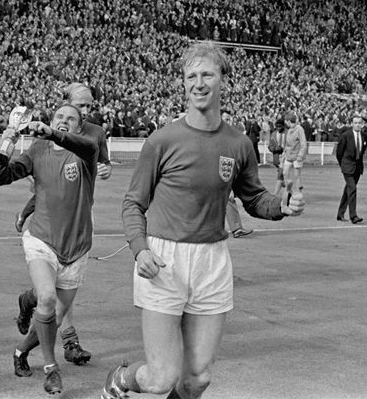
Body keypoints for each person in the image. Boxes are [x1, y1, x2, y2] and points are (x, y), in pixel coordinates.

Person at [101, 42, 304, 399]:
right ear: (183, 84)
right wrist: (139, 249)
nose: (199, 82)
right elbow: (133, 202)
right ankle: (120, 380)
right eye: (191, 75)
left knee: (197, 379)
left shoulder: (239, 143)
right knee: (161, 378)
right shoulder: (162, 140)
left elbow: (253, 197)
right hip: (164, 260)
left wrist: (281, 206)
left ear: (223, 79)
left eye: (207, 74)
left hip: (211, 260)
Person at [0, 104, 99, 395]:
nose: (64, 122)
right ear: (51, 120)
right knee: (49, 299)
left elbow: (86, 145)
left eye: (71, 119)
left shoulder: (85, 152)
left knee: (54, 315)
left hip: (76, 246)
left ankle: (20, 347)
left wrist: (52, 132)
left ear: (79, 127)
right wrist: (8, 142)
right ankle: (51, 369)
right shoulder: (38, 150)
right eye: (59, 118)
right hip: (41, 238)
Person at [13, 83, 111, 368]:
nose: (85, 111)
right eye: (80, 105)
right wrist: (25, 211)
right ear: (64, 105)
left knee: (59, 293)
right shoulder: (45, 140)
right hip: (52, 218)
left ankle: (29, 302)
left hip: (81, 215)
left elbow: (102, 163)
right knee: (53, 296)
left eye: (89, 106)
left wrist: (105, 168)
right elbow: (46, 187)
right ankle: (69, 341)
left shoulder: (95, 132)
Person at [221, 110, 252, 238]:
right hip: (215, 171)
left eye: (230, 119)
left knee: (228, 199)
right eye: (226, 119)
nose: (229, 122)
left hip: (226, 169)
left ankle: (236, 228)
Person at [335, 115, 367, 224]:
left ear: (362, 124)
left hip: (357, 167)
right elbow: (339, 152)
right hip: (347, 166)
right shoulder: (345, 136)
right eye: (355, 123)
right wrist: (343, 165)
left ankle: (340, 214)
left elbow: (362, 151)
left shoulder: (364, 136)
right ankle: (353, 216)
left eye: (359, 123)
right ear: (352, 124)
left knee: (349, 190)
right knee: (352, 188)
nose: (357, 125)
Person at [282, 113, 307, 191]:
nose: (285, 123)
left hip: (297, 156)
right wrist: (284, 153)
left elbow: (303, 143)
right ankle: (289, 191)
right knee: (285, 173)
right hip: (288, 155)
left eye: (286, 121)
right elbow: (287, 143)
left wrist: (300, 156)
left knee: (297, 175)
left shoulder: (300, 129)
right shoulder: (289, 130)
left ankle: (299, 192)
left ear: (289, 121)